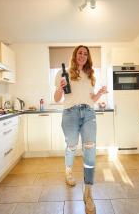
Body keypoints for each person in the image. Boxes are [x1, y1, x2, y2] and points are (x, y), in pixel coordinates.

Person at [54, 45, 107, 214]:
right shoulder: (64, 73)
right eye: (80, 52)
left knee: (90, 149)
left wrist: (99, 93)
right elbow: (56, 99)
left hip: (89, 113)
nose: (82, 55)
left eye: (85, 53)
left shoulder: (91, 75)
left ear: (88, 57)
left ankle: (88, 192)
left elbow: (92, 98)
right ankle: (68, 171)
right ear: (75, 55)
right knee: (71, 145)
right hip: (70, 113)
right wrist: (60, 88)